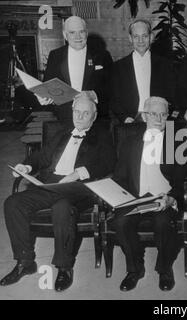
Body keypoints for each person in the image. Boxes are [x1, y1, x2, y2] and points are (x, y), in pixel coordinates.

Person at [0, 95, 116, 291]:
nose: (79, 117)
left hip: (79, 187)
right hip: (52, 183)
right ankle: (25, 262)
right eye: (76, 112)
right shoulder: (61, 131)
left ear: (94, 116)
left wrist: (79, 172)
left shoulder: (103, 134)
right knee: (13, 203)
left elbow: (109, 161)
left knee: (62, 204)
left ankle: (64, 267)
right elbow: (41, 156)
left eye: (85, 113)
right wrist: (26, 167)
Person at [112, 96, 187, 292]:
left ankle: (164, 269)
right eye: (154, 114)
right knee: (120, 222)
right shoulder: (129, 142)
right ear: (145, 116)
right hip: (135, 197)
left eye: (164, 114)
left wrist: (171, 198)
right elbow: (120, 176)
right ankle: (134, 269)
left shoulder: (177, 143)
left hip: (163, 198)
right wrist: (120, 197)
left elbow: (182, 180)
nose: (159, 119)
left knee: (163, 223)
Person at [36, 16, 113, 122]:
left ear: (86, 33)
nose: (78, 37)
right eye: (72, 32)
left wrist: (93, 94)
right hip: (65, 117)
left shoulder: (102, 55)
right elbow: (48, 84)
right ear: (65, 35)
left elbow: (112, 87)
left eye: (81, 32)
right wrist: (45, 97)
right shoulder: (55, 55)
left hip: (95, 118)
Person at [109, 19, 175, 124]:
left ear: (151, 37)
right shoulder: (118, 67)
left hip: (157, 120)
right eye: (136, 37)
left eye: (144, 36)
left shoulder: (165, 65)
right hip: (130, 120)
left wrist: (163, 115)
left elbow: (171, 95)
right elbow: (113, 98)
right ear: (130, 38)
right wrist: (125, 118)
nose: (141, 41)